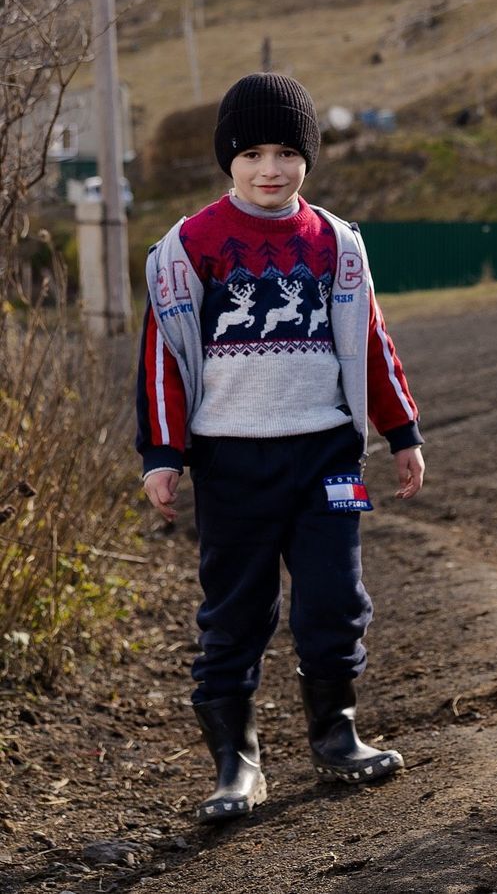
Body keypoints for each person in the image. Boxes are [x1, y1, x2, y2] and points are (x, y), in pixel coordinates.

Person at [136, 72, 425, 823]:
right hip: (229, 462)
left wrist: (401, 434)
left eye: (288, 153)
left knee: (336, 597)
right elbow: (163, 357)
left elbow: (370, 344)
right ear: (228, 158)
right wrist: (163, 456)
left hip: (329, 455)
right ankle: (237, 763)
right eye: (255, 153)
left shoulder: (337, 243)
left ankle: (337, 734)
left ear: (309, 157)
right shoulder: (189, 247)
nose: (272, 169)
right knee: (234, 610)